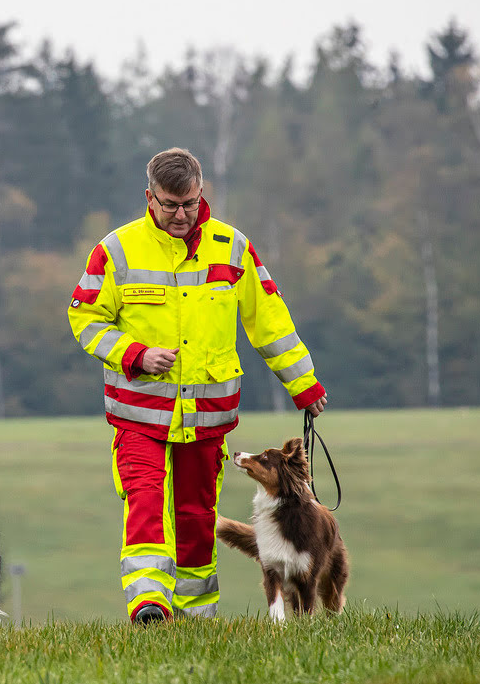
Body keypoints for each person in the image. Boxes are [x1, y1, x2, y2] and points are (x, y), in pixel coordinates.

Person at [67, 147, 326, 624]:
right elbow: (84, 317)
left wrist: (303, 383)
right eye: (170, 204)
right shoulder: (116, 250)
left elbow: (269, 322)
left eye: (189, 203)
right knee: (144, 500)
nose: (181, 214)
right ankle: (148, 602)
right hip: (139, 412)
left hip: (208, 416)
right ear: (150, 198)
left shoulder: (233, 248)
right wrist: (136, 354)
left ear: (201, 192)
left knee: (195, 515)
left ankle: (195, 616)